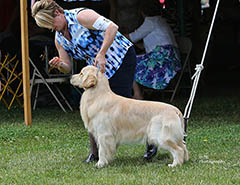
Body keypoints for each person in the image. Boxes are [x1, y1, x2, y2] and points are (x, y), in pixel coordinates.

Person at [31, 0, 156, 162]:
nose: (51, 28)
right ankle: (95, 153)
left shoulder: (81, 16)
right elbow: (67, 67)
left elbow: (112, 27)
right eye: (47, 26)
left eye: (51, 23)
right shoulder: (59, 38)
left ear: (57, 13)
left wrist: (102, 53)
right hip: (97, 69)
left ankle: (151, 139)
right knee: (93, 107)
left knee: (123, 106)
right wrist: (59, 65)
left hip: (120, 58)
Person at [127, 0, 181, 100]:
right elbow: (144, 45)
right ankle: (148, 91)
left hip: (161, 60)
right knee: (137, 60)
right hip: (172, 59)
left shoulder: (150, 22)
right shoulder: (161, 20)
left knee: (129, 62)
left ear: (142, 11)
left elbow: (132, 37)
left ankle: (137, 94)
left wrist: (116, 33)